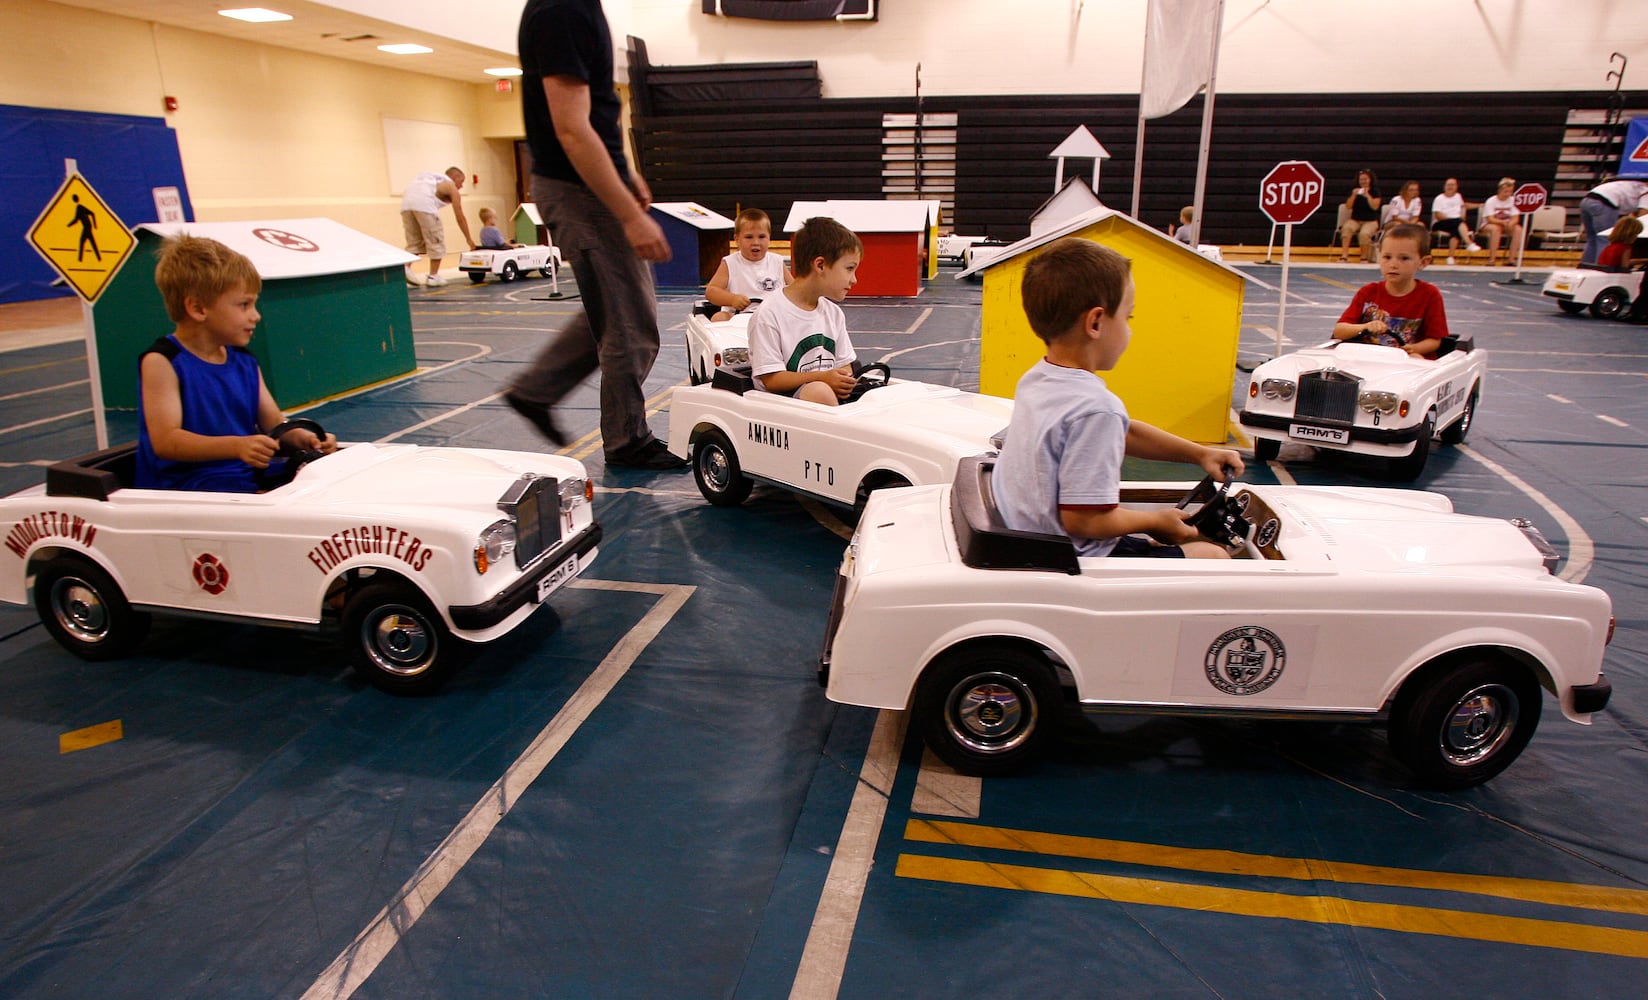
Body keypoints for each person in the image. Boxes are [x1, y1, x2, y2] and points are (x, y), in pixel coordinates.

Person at [507, 0, 684, 470]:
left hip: (590, 185)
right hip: (580, 190)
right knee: (632, 330)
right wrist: (628, 214)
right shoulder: (561, 10)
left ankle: (536, 390)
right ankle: (627, 441)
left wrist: (629, 172)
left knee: (613, 313)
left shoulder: (579, 8)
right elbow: (571, 129)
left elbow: (601, 109)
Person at [992, 238, 1244, 560]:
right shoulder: (1096, 408)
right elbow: (1084, 519)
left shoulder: (1038, 380)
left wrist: (1200, 455)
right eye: (1129, 317)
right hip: (1073, 559)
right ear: (1096, 322)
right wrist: (1155, 521)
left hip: (1036, 538)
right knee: (1215, 556)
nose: (1129, 329)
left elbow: (1123, 432)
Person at [136, 235, 336, 493]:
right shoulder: (162, 362)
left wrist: (306, 440)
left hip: (241, 474)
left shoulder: (244, 360)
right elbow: (166, 441)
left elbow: (273, 422)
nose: (256, 315)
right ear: (198, 308)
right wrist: (237, 446)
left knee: (322, 477)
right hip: (187, 483)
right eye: (244, 305)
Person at [748, 216, 861, 406]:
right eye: (849, 269)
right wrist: (823, 378)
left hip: (819, 401)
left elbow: (845, 364)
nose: (854, 279)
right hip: (779, 406)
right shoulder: (769, 314)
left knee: (883, 387)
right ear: (820, 265)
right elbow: (771, 380)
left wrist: (844, 380)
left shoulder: (833, 313)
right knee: (820, 391)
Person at [1331, 223, 1449, 359]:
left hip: (1406, 360)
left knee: (1417, 357)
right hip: (1368, 358)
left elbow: (1434, 341)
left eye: (1404, 258)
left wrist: (1413, 348)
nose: (1393, 264)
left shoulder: (1429, 294)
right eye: (1387, 257)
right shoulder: (1368, 292)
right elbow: (1339, 331)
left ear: (1423, 262)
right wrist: (1365, 326)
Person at [705, 208, 790, 322]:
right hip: (737, 318)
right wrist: (732, 299)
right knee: (718, 318)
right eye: (749, 237)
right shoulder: (730, 263)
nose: (756, 242)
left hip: (773, 319)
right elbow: (711, 291)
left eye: (761, 237)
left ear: (769, 237)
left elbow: (795, 289)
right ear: (737, 239)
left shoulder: (777, 261)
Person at [400, 166, 477, 286]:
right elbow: (460, 216)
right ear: (455, 177)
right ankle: (433, 276)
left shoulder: (429, 178)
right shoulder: (450, 185)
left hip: (406, 205)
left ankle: (406, 268)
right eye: (461, 182)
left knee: (414, 242)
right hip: (425, 206)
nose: (461, 186)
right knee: (436, 241)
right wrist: (469, 239)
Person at [1580, 178, 1648, 265]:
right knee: (1606, 238)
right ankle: (1602, 268)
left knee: (1592, 239)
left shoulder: (1634, 186)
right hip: (1605, 202)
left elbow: (1634, 215)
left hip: (1587, 199)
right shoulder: (1645, 192)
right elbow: (1642, 217)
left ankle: (1586, 266)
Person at [1430, 176, 1480, 265]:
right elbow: (1438, 215)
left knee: (1456, 230)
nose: (1450, 187)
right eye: (1448, 185)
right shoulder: (1439, 198)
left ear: (1456, 187)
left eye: (1452, 185)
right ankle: (1469, 243)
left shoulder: (1458, 196)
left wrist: (1480, 205)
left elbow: (1463, 206)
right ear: (1444, 186)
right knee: (1458, 223)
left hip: (1455, 223)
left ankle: (1450, 257)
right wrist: (1453, 219)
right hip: (1441, 223)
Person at [1338, 169, 1382, 262]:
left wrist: (1367, 196)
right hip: (1355, 219)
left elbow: (1375, 207)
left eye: (1365, 179)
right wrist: (1353, 195)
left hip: (1371, 221)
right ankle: (1344, 256)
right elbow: (1348, 206)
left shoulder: (1375, 191)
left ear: (1370, 180)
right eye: (1361, 179)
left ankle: (1364, 257)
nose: (1363, 181)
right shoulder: (1355, 191)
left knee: (1364, 234)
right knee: (1346, 229)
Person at [1479, 177, 1523, 266]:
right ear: (1500, 190)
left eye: (1510, 192)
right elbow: (1490, 219)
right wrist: (1502, 222)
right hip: (1490, 224)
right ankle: (1492, 259)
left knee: (1518, 230)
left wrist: (1511, 223)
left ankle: (1511, 259)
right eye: (1505, 191)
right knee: (1496, 229)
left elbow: (1515, 217)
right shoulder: (1491, 201)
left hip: (1506, 224)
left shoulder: (1513, 201)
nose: (1508, 194)